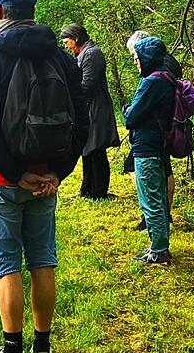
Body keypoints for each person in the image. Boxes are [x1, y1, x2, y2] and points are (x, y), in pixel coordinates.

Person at [0, 0, 87, 353]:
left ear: (0, 12)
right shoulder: (63, 58)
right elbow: (80, 122)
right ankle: (43, 346)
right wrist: (58, 173)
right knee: (42, 260)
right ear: (33, 11)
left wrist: (15, 174)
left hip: (1, 179)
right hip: (46, 177)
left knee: (5, 264)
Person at [124, 35, 177, 265]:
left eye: (137, 58)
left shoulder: (151, 82)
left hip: (146, 146)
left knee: (150, 200)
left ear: (146, 58)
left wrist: (126, 110)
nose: (136, 62)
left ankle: (158, 251)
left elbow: (132, 117)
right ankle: (160, 245)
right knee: (158, 198)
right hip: (158, 143)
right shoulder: (166, 77)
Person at [59, 23, 121, 200]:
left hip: (96, 108)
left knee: (96, 151)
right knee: (87, 150)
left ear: (76, 38)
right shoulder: (84, 54)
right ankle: (87, 191)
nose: (66, 46)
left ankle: (99, 192)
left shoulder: (93, 54)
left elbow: (87, 85)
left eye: (67, 42)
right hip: (88, 108)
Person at [127, 30, 182, 212]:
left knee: (161, 171)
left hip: (154, 132)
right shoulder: (164, 66)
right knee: (164, 169)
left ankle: (156, 213)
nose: (135, 61)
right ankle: (160, 212)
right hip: (162, 128)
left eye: (135, 56)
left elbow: (136, 114)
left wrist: (130, 111)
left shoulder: (156, 75)